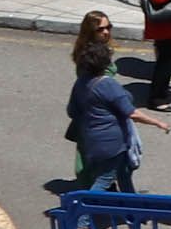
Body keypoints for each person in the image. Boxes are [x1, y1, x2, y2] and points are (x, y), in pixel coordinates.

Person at [66, 41, 160, 191]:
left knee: (124, 173)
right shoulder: (108, 84)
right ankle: (82, 211)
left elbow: (72, 111)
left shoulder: (81, 83)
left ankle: (131, 209)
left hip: (91, 141)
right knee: (104, 180)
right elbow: (132, 113)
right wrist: (158, 123)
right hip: (111, 144)